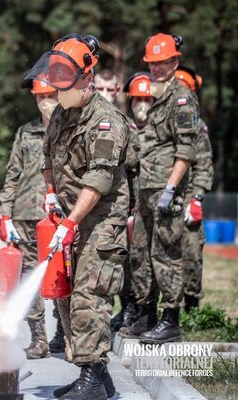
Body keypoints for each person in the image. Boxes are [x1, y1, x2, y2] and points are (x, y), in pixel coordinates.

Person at [23, 33, 129, 400]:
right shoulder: (61, 115)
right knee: (64, 297)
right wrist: (52, 195)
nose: (57, 91)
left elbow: (99, 179)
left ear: (87, 77)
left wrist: (71, 222)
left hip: (100, 218)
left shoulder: (106, 121)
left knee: (89, 295)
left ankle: (93, 382)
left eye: (63, 84)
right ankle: (95, 373)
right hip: (69, 218)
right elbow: (47, 158)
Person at [126, 33, 200, 344]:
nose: (157, 68)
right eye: (152, 64)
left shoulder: (181, 99)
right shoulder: (155, 98)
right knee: (141, 254)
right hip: (145, 189)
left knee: (166, 254)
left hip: (166, 191)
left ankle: (171, 319)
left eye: (163, 63)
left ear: (174, 62)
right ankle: (147, 312)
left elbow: (186, 150)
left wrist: (172, 189)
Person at [0, 79, 59, 359]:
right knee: (27, 277)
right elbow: (12, 174)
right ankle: (38, 339)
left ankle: (65, 336)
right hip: (25, 214)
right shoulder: (26, 133)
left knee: (62, 274)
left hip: (59, 215)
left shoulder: (70, 129)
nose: (45, 101)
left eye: (50, 95)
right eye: (40, 97)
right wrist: (5, 214)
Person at [112, 72, 153, 332]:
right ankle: (131, 309)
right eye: (137, 99)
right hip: (129, 203)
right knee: (128, 259)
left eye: (146, 99)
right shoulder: (124, 125)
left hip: (152, 203)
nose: (141, 104)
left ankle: (147, 310)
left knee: (148, 258)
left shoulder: (161, 128)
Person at [174, 66, 213, 312]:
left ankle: (191, 306)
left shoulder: (197, 126)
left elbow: (204, 164)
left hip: (187, 198)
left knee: (190, 253)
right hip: (165, 197)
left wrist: (196, 199)